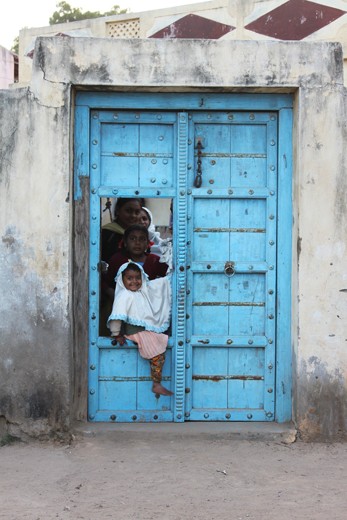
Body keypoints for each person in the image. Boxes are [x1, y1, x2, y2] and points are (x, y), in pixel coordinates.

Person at [107, 262, 173, 396]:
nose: (134, 281)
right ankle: (156, 384)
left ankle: (156, 383)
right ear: (121, 279)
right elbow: (116, 317)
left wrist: (171, 277)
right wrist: (116, 334)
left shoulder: (142, 293)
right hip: (135, 333)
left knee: (160, 341)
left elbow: (157, 286)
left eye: (138, 277)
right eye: (129, 278)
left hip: (143, 332)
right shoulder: (124, 296)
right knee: (157, 351)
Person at [103, 224, 168, 302]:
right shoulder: (117, 260)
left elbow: (168, 280)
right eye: (132, 239)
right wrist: (114, 296)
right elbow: (106, 283)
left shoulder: (155, 260)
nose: (137, 242)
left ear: (148, 243)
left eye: (142, 239)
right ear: (125, 242)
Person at [101, 198, 143, 263]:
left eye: (137, 212)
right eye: (128, 211)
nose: (133, 215)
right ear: (118, 210)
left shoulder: (141, 236)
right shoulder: (106, 234)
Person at [138, 206, 173, 270]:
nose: (141, 222)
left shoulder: (161, 244)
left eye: (144, 219)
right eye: (137, 219)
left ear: (150, 221)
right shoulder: (126, 242)